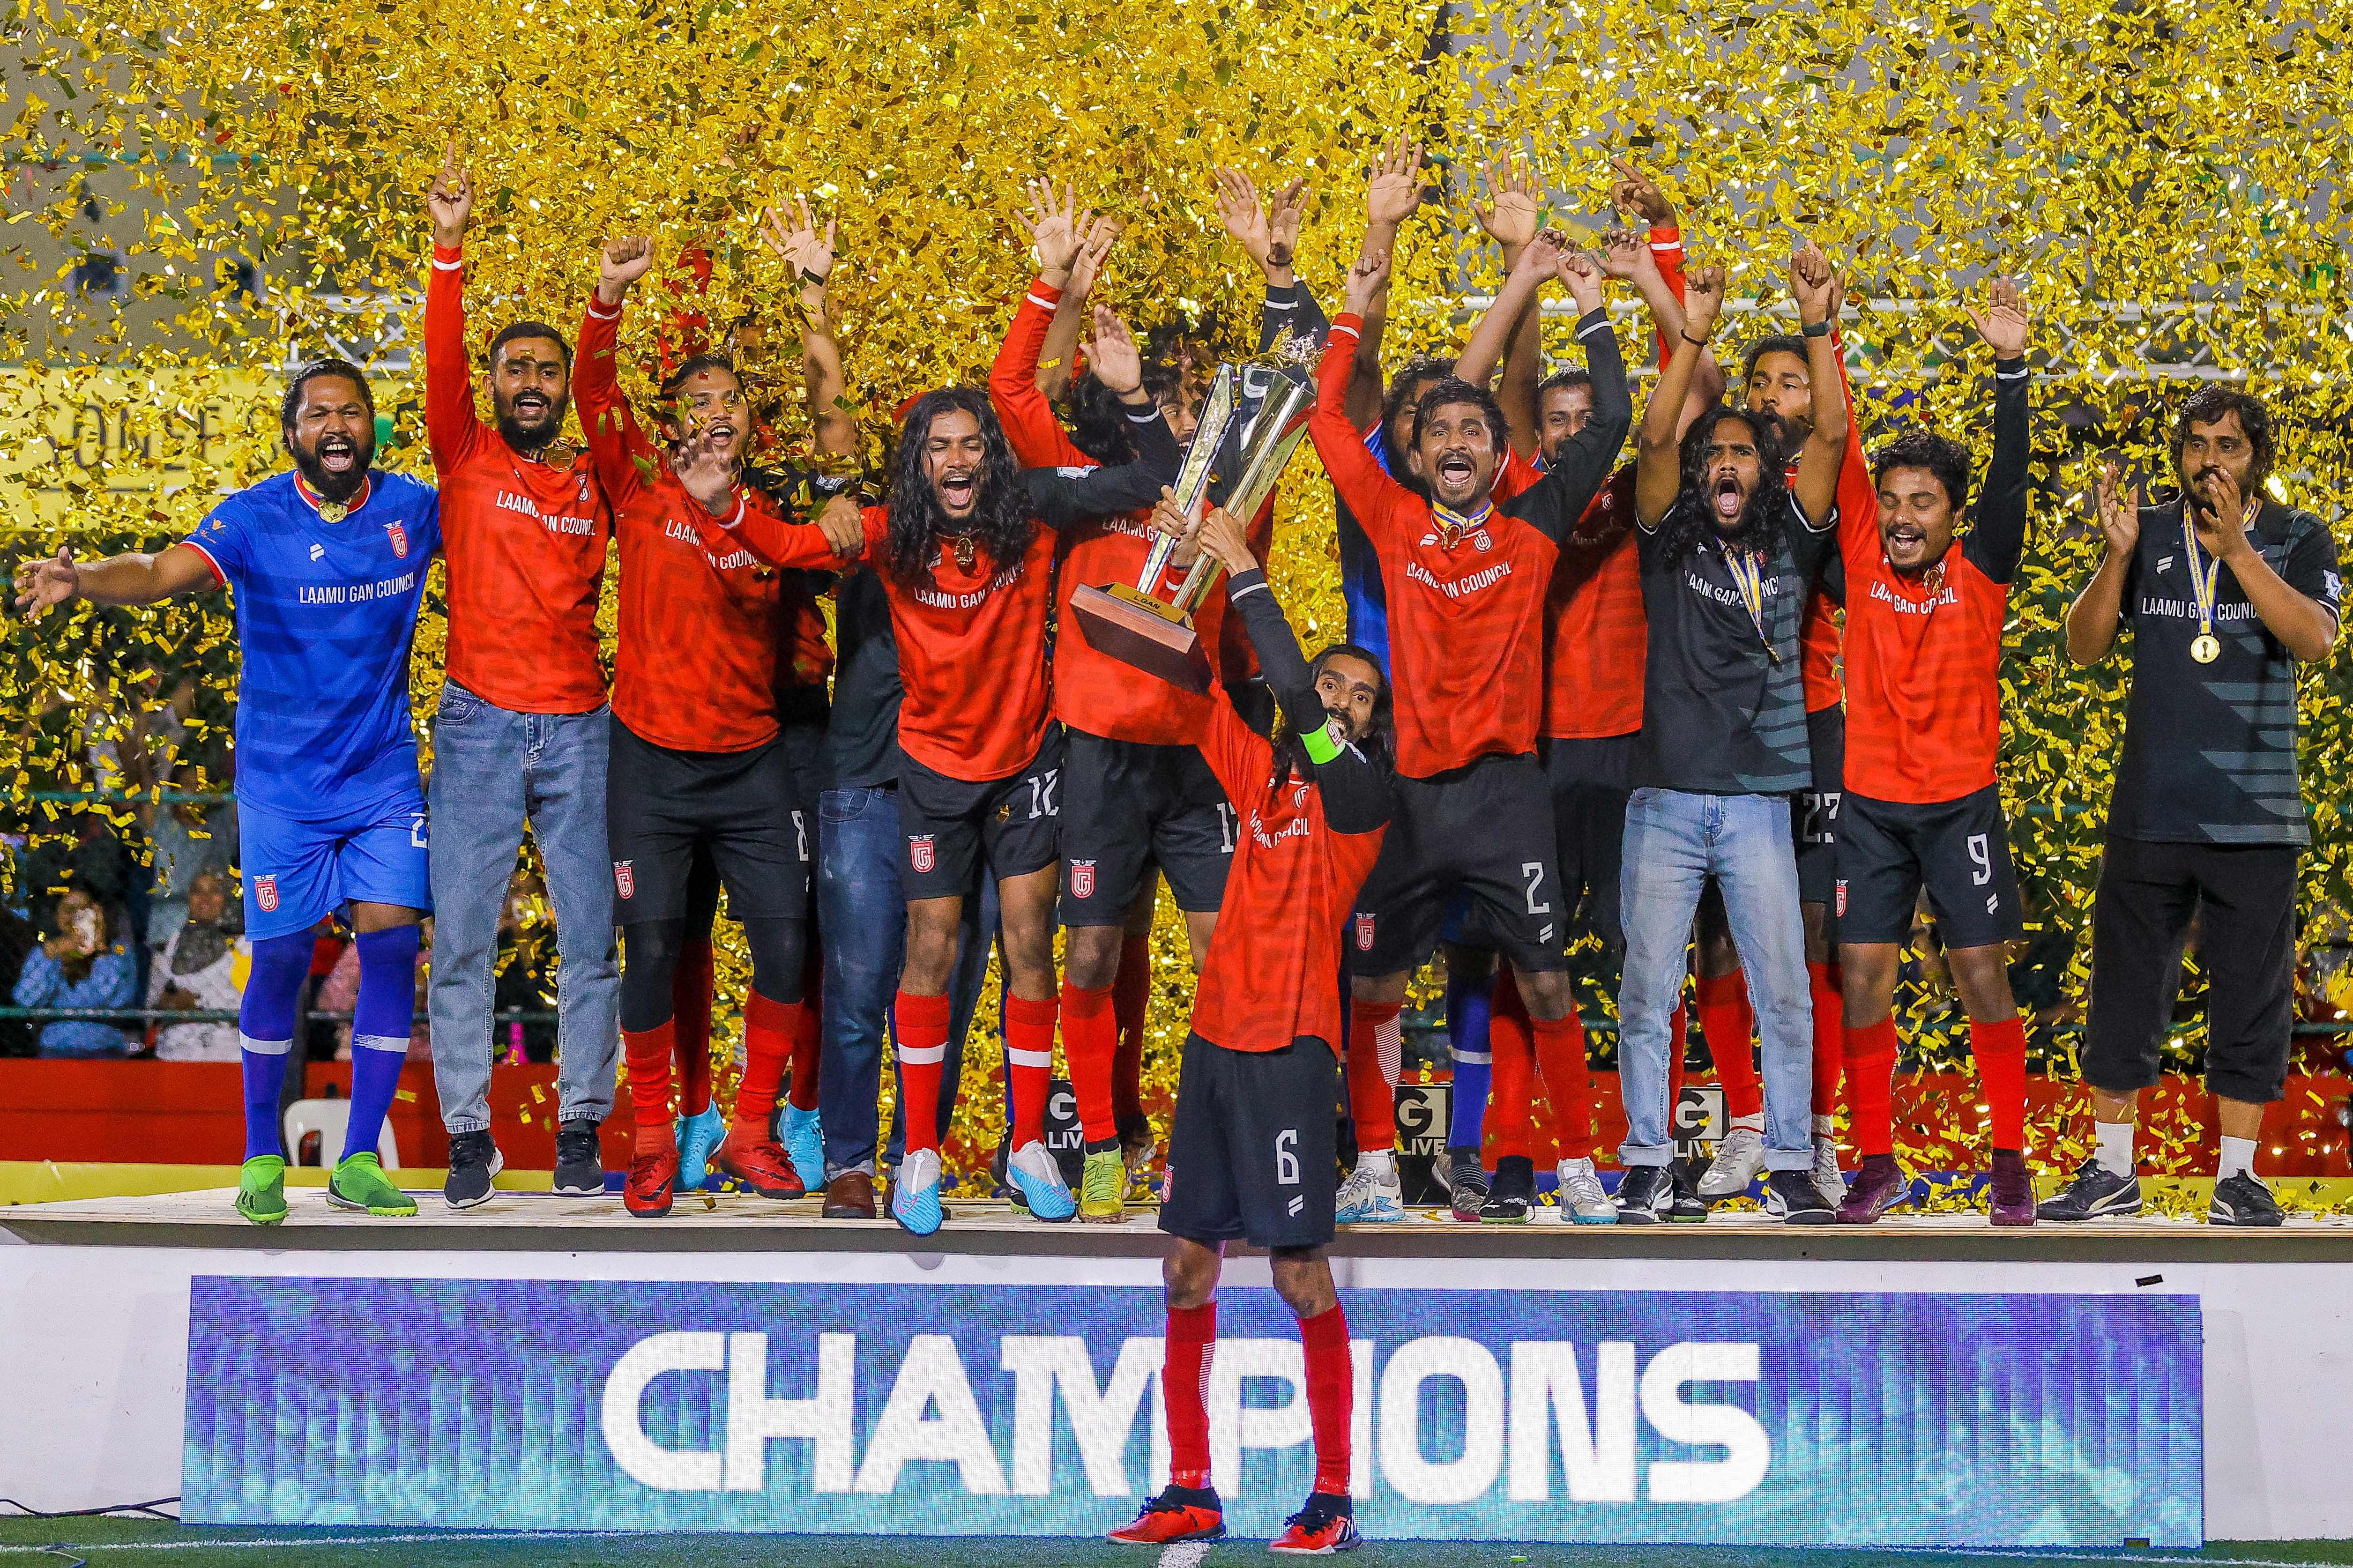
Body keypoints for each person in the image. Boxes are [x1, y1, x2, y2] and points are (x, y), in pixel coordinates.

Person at [679, 293, 1182, 1236]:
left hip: (1024, 765)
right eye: (939, 446)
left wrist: (1131, 395)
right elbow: (787, 544)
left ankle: (1027, 1143)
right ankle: (916, 1152)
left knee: (1028, 947)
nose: (957, 459)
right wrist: (725, 506)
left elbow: (1155, 478)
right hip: (932, 773)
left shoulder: (1034, 509)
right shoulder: (887, 534)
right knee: (929, 950)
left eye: (972, 445)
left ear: (993, 456)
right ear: (917, 461)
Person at [15, 357, 440, 1223]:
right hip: (282, 788)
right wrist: (82, 579)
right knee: (278, 958)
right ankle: (259, 1155)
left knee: (394, 946)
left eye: (351, 412)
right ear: (291, 433)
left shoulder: (415, 507)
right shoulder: (252, 516)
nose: (336, 425)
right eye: (318, 413)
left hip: (383, 777)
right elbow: (157, 571)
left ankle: (360, 1158)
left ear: (373, 427)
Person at [1309, 231, 1632, 1225]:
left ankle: (1577, 1167)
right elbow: (1323, 416)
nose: (1454, 441)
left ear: (1499, 454)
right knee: (1374, 981)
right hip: (1406, 794)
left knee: (1546, 983)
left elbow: (1615, 416)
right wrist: (1354, 303)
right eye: (1437, 429)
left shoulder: (1533, 523)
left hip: (1505, 796)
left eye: (1474, 429)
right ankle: (1374, 1166)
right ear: (1416, 456)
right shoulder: (1392, 518)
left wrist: (1589, 302)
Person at [1108, 500, 1390, 1555]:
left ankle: (1333, 1495)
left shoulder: (1359, 800)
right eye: (1333, 684)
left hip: (1290, 1054)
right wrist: (1180, 566)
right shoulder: (1261, 773)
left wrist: (1246, 568)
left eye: (1362, 697)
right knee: (1186, 1268)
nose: (1344, 702)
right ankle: (1190, 1486)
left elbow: (1287, 693)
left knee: (1298, 1276)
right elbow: (1193, 687)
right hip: (1216, 1048)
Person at [1444, 158, 1706, 1223]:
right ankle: (1514, 1155)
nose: (1562, 431)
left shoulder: (1644, 492)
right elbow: (1487, 398)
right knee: (1526, 959)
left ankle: (1653, 1156)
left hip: (1635, 755)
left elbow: (1683, 392)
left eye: (1580, 417)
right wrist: (1520, 265)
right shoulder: (1518, 505)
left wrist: (1659, 261)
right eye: (1550, 420)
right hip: (1536, 757)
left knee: (1649, 965)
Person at [574, 236, 832, 1219]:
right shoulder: (637, 484)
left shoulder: (770, 516)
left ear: (753, 425)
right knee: (650, 953)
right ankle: (650, 1141)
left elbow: (814, 558)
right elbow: (595, 392)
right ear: (673, 419)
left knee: (786, 949)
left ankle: (751, 1130)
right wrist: (609, 297)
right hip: (649, 766)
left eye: (732, 399)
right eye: (697, 399)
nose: (716, 409)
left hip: (752, 765)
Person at [2048, 387, 2339, 1226]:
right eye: (2196, 443)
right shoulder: (2145, 530)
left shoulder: (2298, 535)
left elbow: (2315, 639)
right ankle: (2112, 1170)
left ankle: (2238, 1179)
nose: (2209, 458)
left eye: (2228, 444)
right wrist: (2114, 558)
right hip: (2150, 806)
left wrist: (2240, 551)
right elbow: (2081, 646)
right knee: (2123, 993)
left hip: (2255, 812)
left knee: (2250, 1001)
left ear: (2258, 457)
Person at [1612, 248, 1847, 1224]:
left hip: (1759, 802)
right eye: (1714, 453)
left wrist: (1819, 323)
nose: (1725, 464)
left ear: (1767, 469)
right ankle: (1645, 1161)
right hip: (1665, 793)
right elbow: (1655, 431)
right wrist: (1693, 335)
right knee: (1645, 991)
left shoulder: (1793, 538)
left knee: (1783, 990)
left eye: (1743, 453)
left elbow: (1832, 430)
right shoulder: (1666, 540)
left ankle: (1789, 1160)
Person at [419, 145, 619, 1209]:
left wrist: (604, 308)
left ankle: (581, 1125)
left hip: (582, 729)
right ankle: (469, 1136)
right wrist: (449, 248)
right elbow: (441, 361)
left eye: (548, 371)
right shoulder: (464, 455)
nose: (532, 384)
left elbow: (610, 391)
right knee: (461, 941)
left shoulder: (598, 476)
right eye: (515, 370)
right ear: (492, 387)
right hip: (479, 726)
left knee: (591, 940)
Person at [1832, 281, 2036, 1225]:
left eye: (1924, 501)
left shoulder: (1981, 570)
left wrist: (2010, 368)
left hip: (1960, 806)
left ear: (1954, 515)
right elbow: (1839, 445)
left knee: (1981, 974)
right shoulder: (1862, 557)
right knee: (1862, 979)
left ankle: (2010, 1162)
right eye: (1893, 501)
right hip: (1871, 808)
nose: (1904, 515)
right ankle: (1876, 1164)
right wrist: (1824, 330)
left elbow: (2011, 482)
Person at [13, 888, 136, 1057]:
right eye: (68, 910)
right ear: (57, 916)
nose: (75, 916)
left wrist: (100, 947)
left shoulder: (119, 952)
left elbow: (108, 999)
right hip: (54, 1049)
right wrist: (52, 954)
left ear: (97, 914)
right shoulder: (46, 953)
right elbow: (26, 1000)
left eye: (83, 909)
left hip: (104, 1049)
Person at [149, 869, 246, 1062]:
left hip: (228, 1055)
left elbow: (255, 1008)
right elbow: (152, 1001)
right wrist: (168, 1004)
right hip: (174, 1053)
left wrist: (198, 1006)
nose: (205, 899)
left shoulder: (246, 947)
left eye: (214, 891)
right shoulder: (170, 947)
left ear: (228, 897)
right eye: (197, 891)